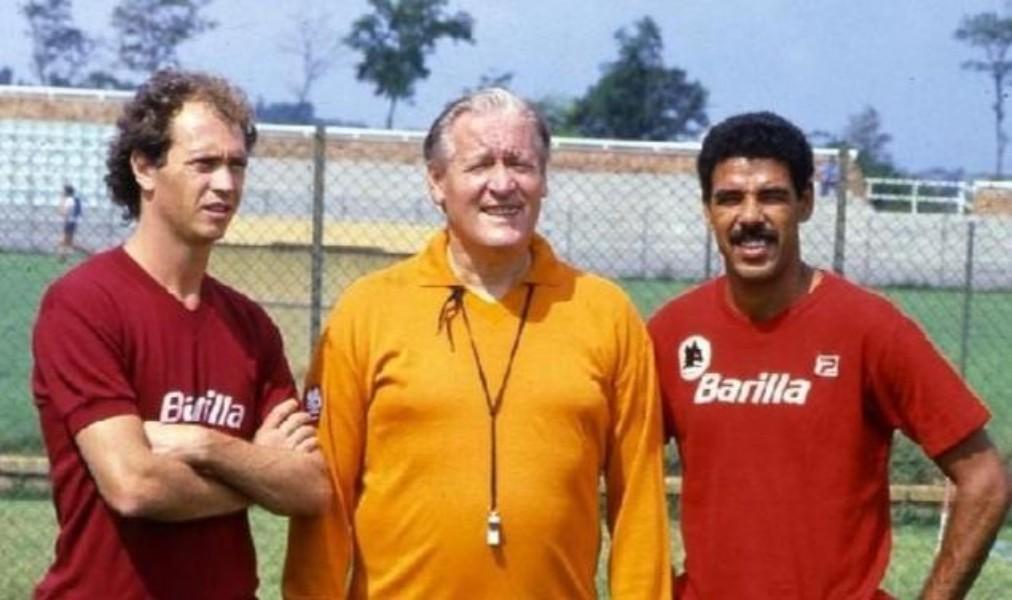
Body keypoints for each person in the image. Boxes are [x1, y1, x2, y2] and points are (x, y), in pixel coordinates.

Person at [283, 88, 671, 599]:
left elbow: (638, 503)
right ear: (436, 182)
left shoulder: (606, 313)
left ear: (545, 179)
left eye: (520, 164)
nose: (503, 184)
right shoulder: (369, 310)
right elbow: (326, 493)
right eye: (480, 164)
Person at [648, 111, 1010, 599]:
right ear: (708, 209)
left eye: (772, 196)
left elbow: (984, 480)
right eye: (729, 198)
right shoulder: (672, 332)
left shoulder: (869, 328)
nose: (750, 216)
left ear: (805, 202)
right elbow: (613, 471)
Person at [31, 69, 331, 599]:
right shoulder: (83, 304)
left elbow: (311, 487)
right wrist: (255, 470)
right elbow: (135, 485)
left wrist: (206, 445)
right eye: (204, 163)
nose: (226, 184)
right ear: (145, 167)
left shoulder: (251, 326)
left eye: (237, 165)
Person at [55, 183, 85, 261]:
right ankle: (63, 257)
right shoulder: (74, 199)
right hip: (72, 222)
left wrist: (61, 202)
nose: (61, 192)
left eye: (63, 191)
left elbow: (64, 212)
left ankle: (62, 257)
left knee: (64, 241)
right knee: (68, 242)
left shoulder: (69, 200)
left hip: (69, 222)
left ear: (66, 192)